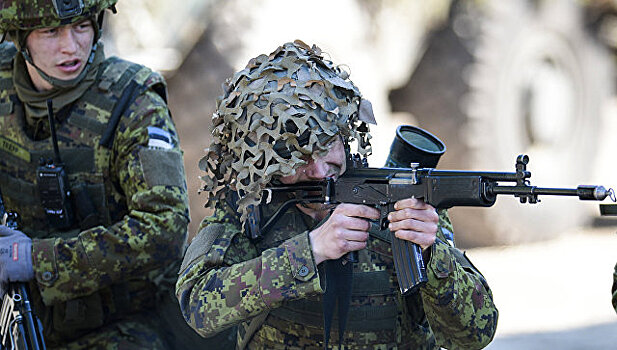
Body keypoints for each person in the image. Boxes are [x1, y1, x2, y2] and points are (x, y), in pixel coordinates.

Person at [176, 40, 498, 349]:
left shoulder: (399, 201)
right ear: (269, 160)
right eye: (297, 156)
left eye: (325, 144)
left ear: (345, 135)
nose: (317, 170)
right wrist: (311, 251)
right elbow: (198, 305)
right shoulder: (252, 207)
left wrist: (432, 254)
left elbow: (476, 333)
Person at [0, 0, 190, 348]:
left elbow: (166, 229)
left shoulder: (134, 101)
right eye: (50, 31)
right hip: (17, 316)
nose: (70, 46)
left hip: (124, 323)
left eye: (81, 26)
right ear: (19, 37)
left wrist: (36, 259)